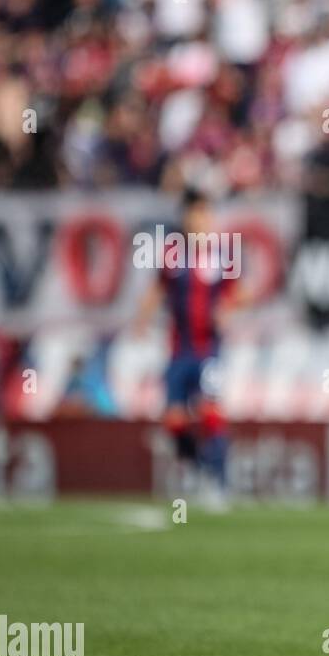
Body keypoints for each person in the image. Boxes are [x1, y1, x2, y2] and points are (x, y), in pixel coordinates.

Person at [133, 189, 245, 509]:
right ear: (185, 217)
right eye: (194, 214)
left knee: (211, 413)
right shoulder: (173, 252)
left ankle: (220, 486)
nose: (200, 220)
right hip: (179, 350)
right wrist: (142, 319)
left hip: (210, 350)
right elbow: (159, 288)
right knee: (174, 420)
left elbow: (242, 293)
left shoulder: (224, 252)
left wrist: (227, 306)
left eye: (205, 214)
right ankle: (201, 470)